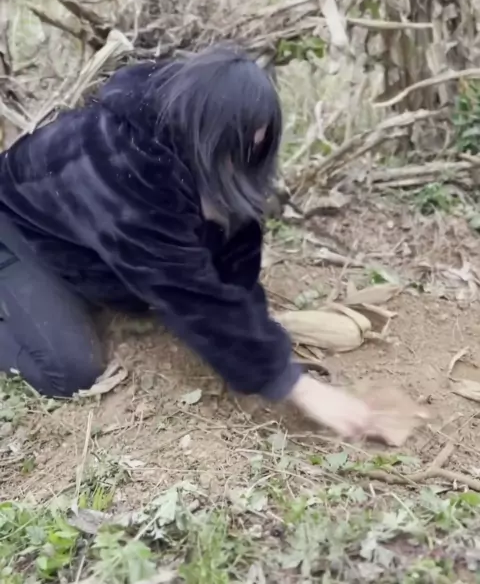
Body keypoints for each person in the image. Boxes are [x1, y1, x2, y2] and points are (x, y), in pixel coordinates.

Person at [0, 44, 377, 441]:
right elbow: (186, 289)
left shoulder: (201, 134)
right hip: (16, 228)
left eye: (253, 150)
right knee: (69, 373)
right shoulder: (126, 162)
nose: (241, 162)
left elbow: (230, 266)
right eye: (234, 150)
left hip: (71, 235)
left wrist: (256, 335)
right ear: (209, 130)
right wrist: (295, 385)